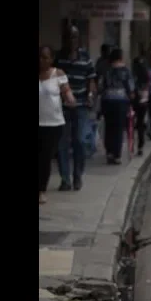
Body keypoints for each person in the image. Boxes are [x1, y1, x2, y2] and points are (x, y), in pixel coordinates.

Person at [55, 25, 97, 191]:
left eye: (74, 37)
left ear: (78, 39)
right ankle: (65, 179)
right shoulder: (58, 58)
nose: (71, 41)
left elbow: (91, 80)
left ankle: (77, 175)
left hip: (80, 105)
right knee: (61, 143)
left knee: (79, 140)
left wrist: (90, 96)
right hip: (62, 106)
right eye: (68, 37)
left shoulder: (85, 58)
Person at [39, 45, 76, 204]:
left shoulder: (58, 74)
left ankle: (41, 189)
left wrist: (70, 99)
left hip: (53, 123)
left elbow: (67, 92)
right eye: (40, 57)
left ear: (51, 59)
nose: (42, 60)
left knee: (45, 157)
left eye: (46, 57)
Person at [99, 47, 135, 165]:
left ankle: (109, 151)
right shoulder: (125, 71)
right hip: (120, 101)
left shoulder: (107, 70)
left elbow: (101, 86)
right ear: (120, 57)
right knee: (119, 128)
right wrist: (132, 97)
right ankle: (117, 154)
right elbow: (130, 87)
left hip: (107, 101)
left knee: (109, 127)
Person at [131, 45, 150, 156]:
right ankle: (140, 146)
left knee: (133, 123)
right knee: (140, 123)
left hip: (134, 100)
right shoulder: (145, 78)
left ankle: (132, 144)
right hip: (142, 100)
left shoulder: (133, 77)